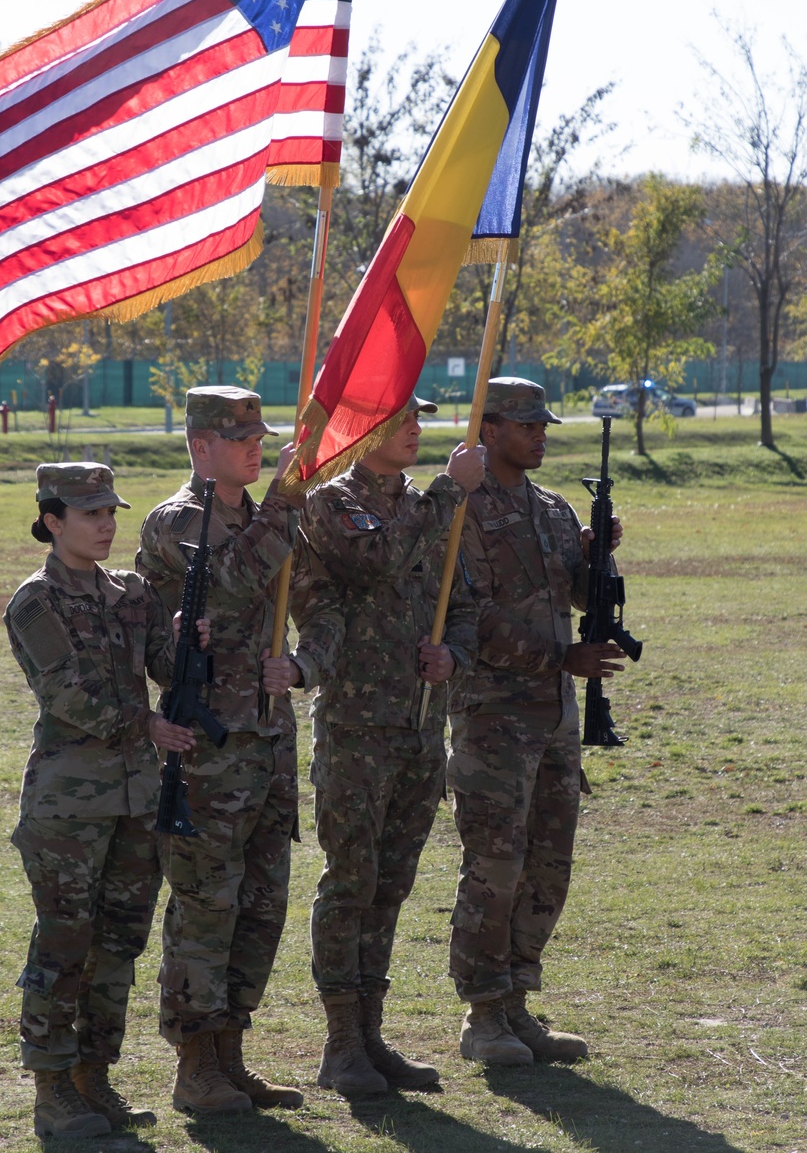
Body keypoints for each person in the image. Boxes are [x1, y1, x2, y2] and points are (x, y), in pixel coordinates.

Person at [290, 397, 485, 1094]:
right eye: (398, 416)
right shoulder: (330, 504)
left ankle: (371, 1035)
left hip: (419, 726)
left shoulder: (434, 510)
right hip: (355, 727)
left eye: (417, 417)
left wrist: (452, 654)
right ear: (361, 428)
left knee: (392, 884)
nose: (414, 428)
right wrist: (445, 492)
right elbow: (378, 560)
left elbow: (462, 601)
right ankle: (341, 1040)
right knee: (351, 880)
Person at [5, 462, 199, 1140]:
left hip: (135, 800)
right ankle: (52, 1088)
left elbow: (163, 671)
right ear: (52, 521)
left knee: (118, 945)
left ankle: (94, 1077)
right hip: (67, 806)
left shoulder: (132, 593)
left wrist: (189, 645)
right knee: (63, 944)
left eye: (111, 512)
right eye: (90, 514)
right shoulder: (36, 602)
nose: (106, 525)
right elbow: (64, 695)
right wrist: (144, 724)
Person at [137, 386, 304, 1115]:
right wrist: (284, 508)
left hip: (267, 740)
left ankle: (232, 1051)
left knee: (262, 907)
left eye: (258, 436)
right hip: (208, 750)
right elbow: (233, 584)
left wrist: (294, 664)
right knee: (207, 904)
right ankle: (195, 1063)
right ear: (200, 445)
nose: (254, 447)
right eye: (239, 438)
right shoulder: (178, 522)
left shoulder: (256, 517)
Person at [449, 378, 625, 1066]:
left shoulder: (551, 509)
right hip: (494, 714)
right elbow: (473, 616)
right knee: (495, 865)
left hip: (553, 716)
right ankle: (483, 1012)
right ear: (488, 429)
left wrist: (597, 553)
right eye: (526, 425)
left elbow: (577, 594)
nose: (540, 435)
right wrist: (561, 655)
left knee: (548, 864)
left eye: (542, 424)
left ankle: (520, 999)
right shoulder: (460, 509)